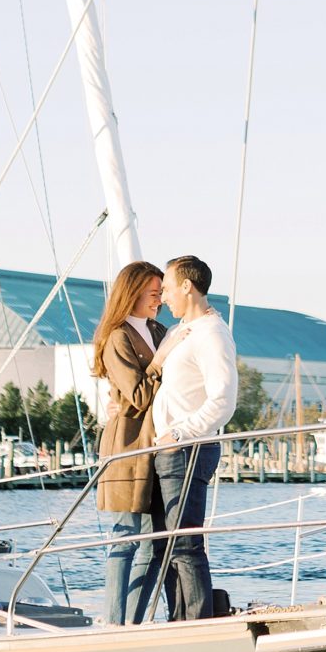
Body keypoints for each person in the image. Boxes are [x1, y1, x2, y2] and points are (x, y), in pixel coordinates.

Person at [151, 255, 239, 620]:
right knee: (166, 544)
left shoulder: (212, 333)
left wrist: (180, 432)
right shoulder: (178, 333)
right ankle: (178, 619)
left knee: (185, 543)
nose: (164, 297)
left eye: (168, 288)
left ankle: (197, 622)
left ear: (187, 286)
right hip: (169, 449)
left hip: (187, 448)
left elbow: (224, 399)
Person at [93, 260, 173, 624]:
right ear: (134, 293)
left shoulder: (160, 330)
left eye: (161, 294)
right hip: (127, 446)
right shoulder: (118, 337)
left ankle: (133, 622)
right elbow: (139, 394)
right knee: (124, 537)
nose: (160, 301)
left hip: (157, 443)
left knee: (154, 542)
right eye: (154, 294)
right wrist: (163, 358)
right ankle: (114, 621)